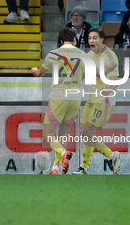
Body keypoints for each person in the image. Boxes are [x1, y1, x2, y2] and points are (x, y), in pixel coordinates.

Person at [32, 28, 87, 174]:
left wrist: (33, 70)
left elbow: (39, 73)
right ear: (75, 40)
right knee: (64, 132)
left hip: (58, 96)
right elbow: (84, 75)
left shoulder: (53, 54)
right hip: (75, 97)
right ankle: (56, 167)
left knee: (48, 133)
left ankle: (63, 153)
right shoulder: (82, 54)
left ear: (61, 41)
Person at [73, 27, 120, 175]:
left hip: (104, 100)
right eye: (89, 38)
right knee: (84, 132)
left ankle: (84, 167)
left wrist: (105, 94)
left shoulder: (110, 57)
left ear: (101, 40)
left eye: (94, 38)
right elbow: (82, 73)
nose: (91, 41)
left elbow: (114, 80)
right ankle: (112, 156)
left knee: (88, 131)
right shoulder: (89, 55)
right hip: (92, 97)